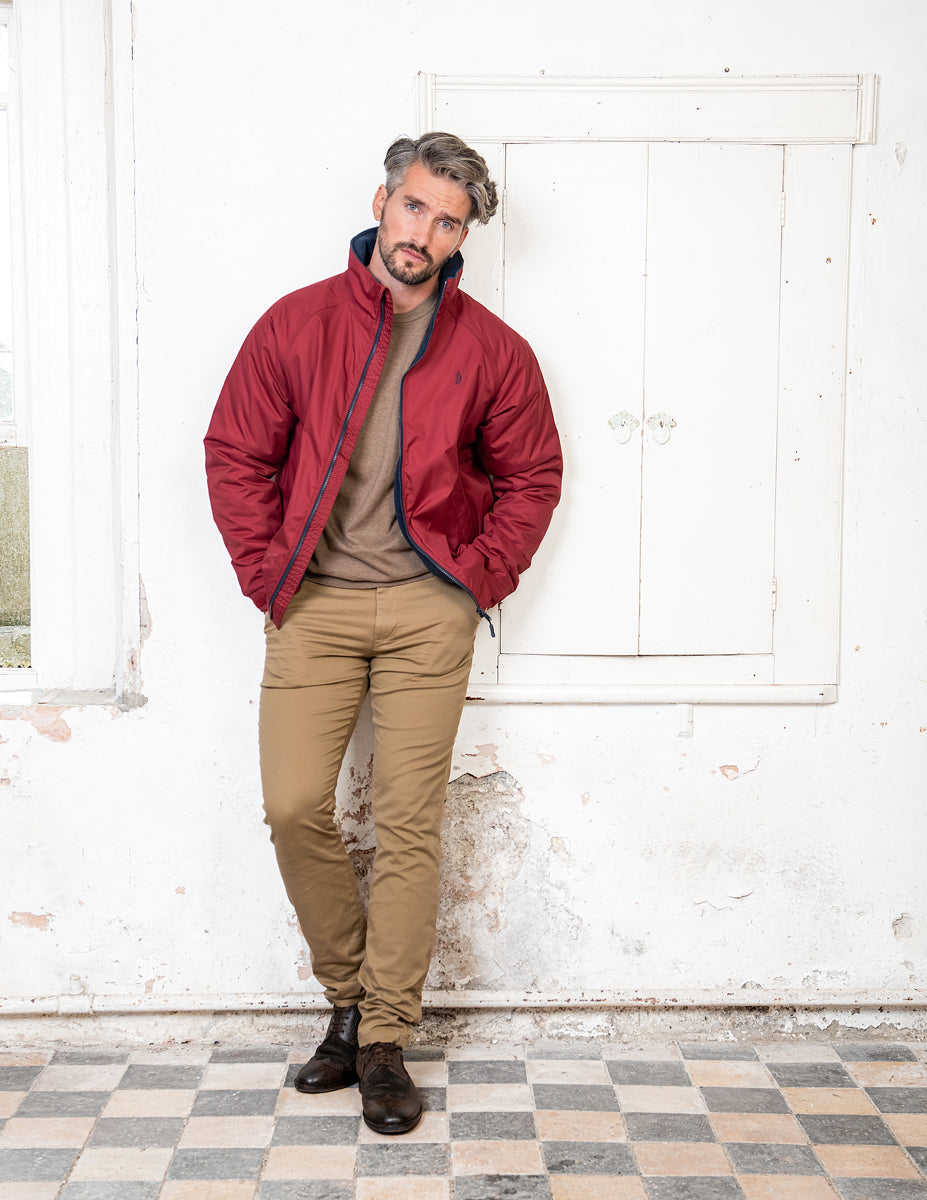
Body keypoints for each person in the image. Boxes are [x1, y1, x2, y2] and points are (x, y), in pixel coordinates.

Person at [204, 131, 562, 1134]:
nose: (424, 232)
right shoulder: (297, 324)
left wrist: (476, 579)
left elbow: (533, 475)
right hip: (313, 603)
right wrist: (262, 570)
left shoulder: (492, 349)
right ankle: (348, 997)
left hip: (426, 610)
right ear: (383, 200)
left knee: (407, 822)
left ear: (463, 236)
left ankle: (385, 1039)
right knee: (292, 805)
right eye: (414, 208)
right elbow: (235, 450)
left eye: (447, 221)